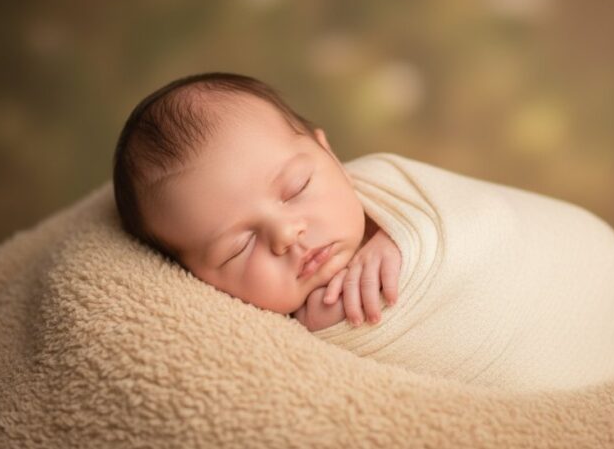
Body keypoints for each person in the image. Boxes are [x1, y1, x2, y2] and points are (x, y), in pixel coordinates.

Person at [113, 72, 401, 332]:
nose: (285, 234)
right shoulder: (261, 339)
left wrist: (403, 238)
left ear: (331, 156)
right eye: (239, 248)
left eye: (296, 188)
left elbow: (445, 203)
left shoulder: (398, 189)